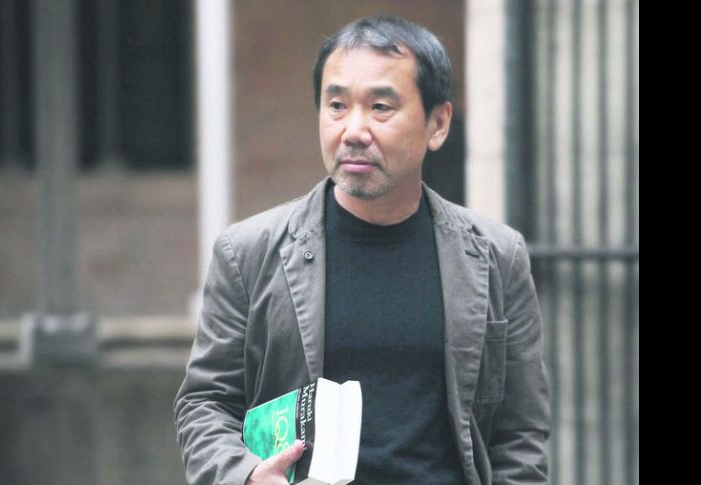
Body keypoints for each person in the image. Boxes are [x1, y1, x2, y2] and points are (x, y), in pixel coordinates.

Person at [174, 14, 550, 485]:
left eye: (380, 107)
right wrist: (248, 475)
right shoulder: (247, 254)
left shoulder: (497, 256)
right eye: (336, 105)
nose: (353, 130)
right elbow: (204, 403)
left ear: (437, 124)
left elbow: (521, 434)